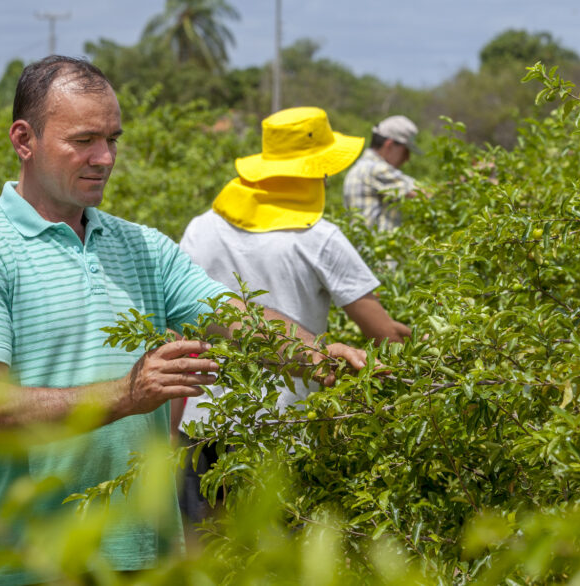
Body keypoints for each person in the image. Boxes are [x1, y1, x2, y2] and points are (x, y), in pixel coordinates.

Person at [0, 57, 366, 585]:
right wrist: (127, 395)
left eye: (113, 139)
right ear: (24, 140)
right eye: (84, 140)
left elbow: (233, 314)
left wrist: (315, 354)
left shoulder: (141, 246)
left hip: (147, 559)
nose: (105, 157)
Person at [173, 106, 410, 529]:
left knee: (207, 555)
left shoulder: (202, 227)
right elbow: (383, 335)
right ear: (317, 172)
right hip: (285, 428)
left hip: (201, 423)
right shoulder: (319, 238)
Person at [342, 114, 422, 231]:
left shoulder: (362, 167)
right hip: (375, 247)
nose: (407, 158)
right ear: (389, 145)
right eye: (405, 151)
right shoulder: (376, 169)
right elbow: (425, 193)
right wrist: (455, 187)